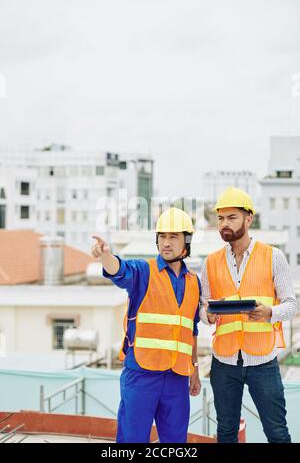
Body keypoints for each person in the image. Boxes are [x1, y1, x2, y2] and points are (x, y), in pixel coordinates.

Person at [91, 207, 201, 443]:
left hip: (177, 377)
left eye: (173, 237)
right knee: (132, 440)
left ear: (186, 242)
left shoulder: (194, 283)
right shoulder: (143, 271)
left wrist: (195, 370)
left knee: (175, 442)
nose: (166, 243)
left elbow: (191, 330)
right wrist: (105, 256)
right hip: (142, 374)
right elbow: (119, 271)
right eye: (162, 236)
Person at [200, 186, 297, 443]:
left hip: (262, 361)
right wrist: (206, 315)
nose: (225, 224)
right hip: (224, 361)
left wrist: (270, 313)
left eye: (232, 217)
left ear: (249, 218)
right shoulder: (210, 262)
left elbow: (291, 304)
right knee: (226, 432)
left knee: (276, 432)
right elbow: (202, 305)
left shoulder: (273, 256)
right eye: (221, 218)